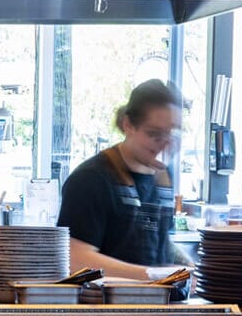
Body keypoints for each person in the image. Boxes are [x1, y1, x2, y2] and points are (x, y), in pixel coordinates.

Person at [57, 79, 191, 280]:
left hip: (154, 306)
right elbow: (75, 258)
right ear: (128, 124)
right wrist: (155, 276)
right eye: (154, 134)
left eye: (171, 134)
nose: (165, 144)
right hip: (104, 308)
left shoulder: (163, 177)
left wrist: (189, 267)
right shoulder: (91, 179)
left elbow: (156, 241)